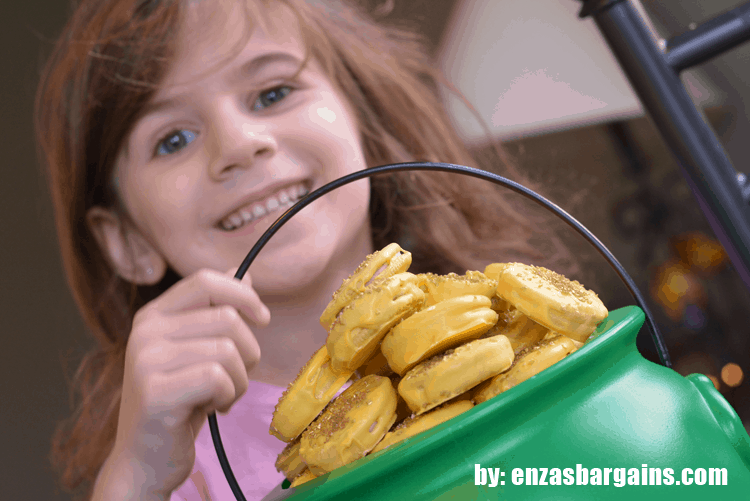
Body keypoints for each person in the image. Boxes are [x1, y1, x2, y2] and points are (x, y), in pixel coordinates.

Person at [35, 0, 574, 499]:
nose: (239, 145)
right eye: (172, 139)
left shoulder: (518, 334)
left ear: (364, 118)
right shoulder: (175, 470)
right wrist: (136, 474)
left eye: (272, 93)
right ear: (127, 241)